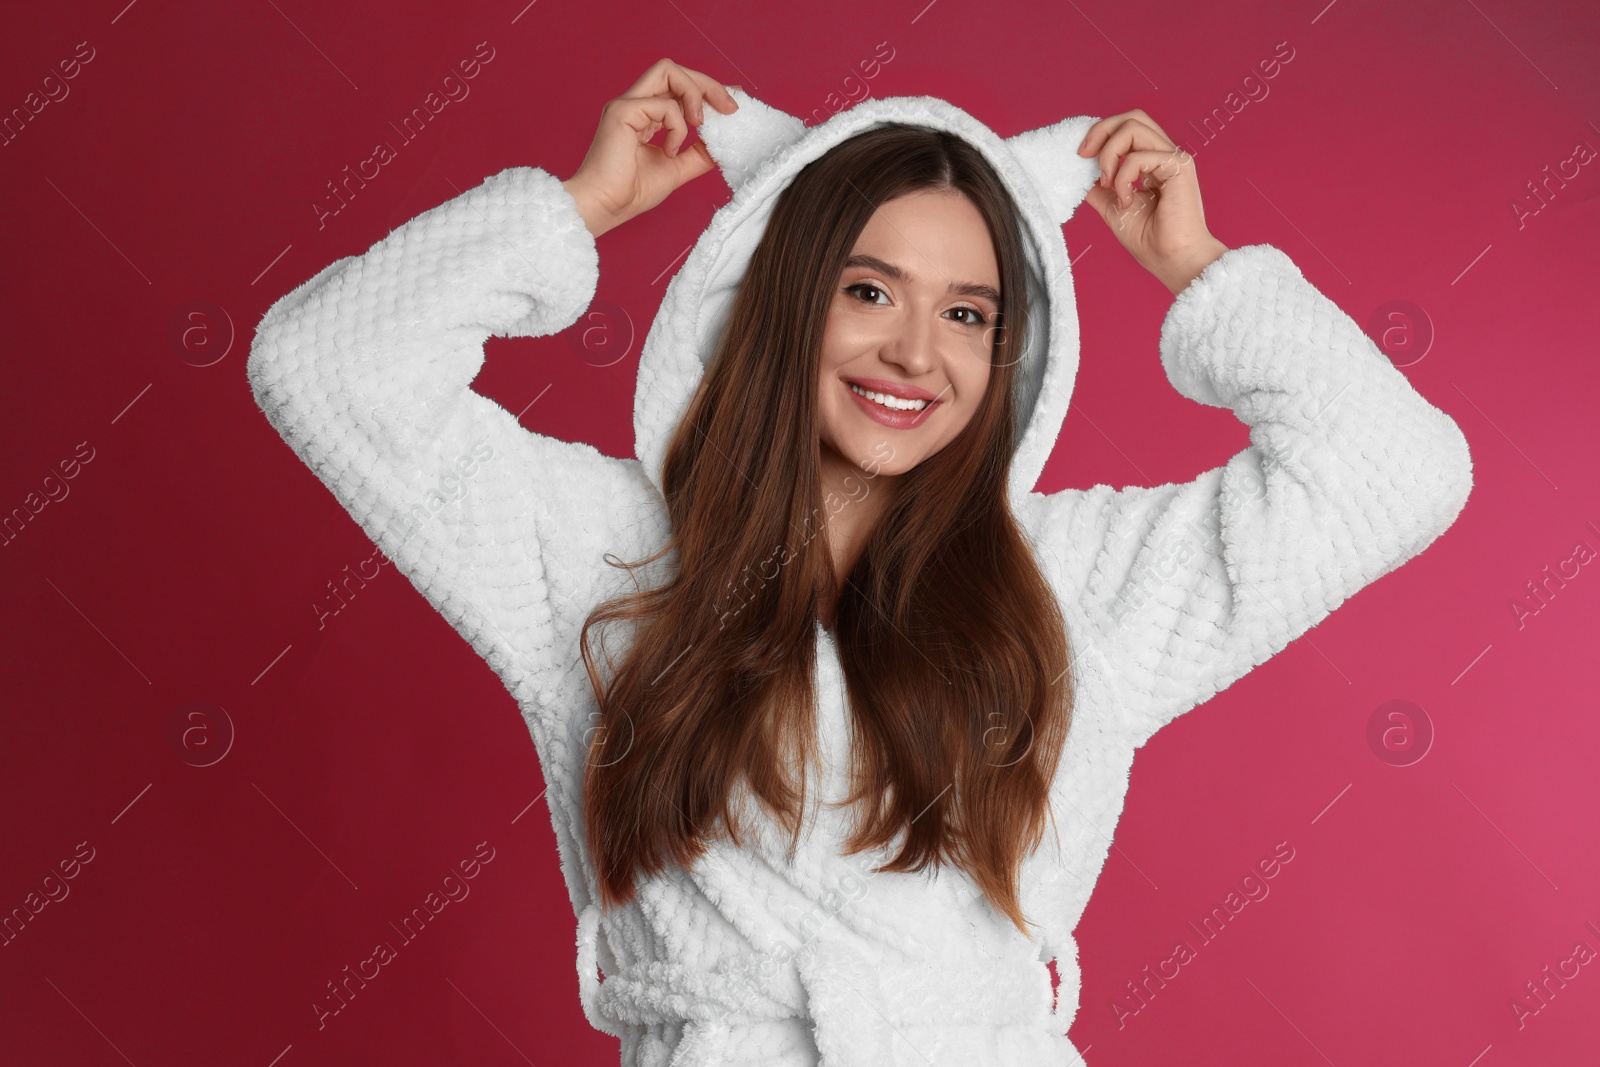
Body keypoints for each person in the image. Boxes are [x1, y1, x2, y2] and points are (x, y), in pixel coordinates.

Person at [246, 58, 1473, 1067]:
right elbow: (323, 367)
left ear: (1009, 352)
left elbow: (1396, 468)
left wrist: (1195, 267)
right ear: (781, 296)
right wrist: (582, 205)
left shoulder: (1078, 579)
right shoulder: (597, 553)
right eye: (870, 289)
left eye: (966, 312)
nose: (914, 352)